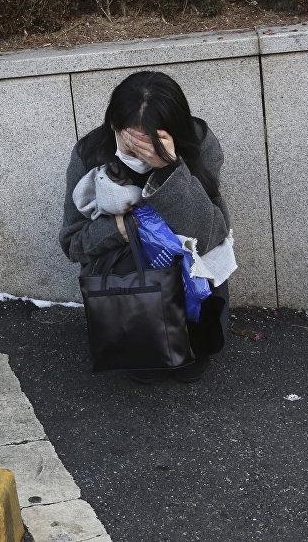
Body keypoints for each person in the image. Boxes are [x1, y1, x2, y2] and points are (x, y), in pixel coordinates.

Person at [59, 71, 234, 383]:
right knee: (144, 371)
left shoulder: (197, 141)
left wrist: (167, 168)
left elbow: (210, 235)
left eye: (148, 143)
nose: (139, 152)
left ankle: (191, 336)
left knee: (190, 367)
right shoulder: (90, 154)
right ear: (113, 125)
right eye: (131, 143)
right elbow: (72, 243)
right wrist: (121, 227)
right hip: (128, 299)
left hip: (188, 289)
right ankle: (141, 342)